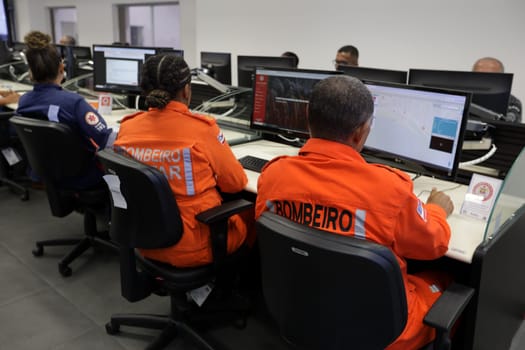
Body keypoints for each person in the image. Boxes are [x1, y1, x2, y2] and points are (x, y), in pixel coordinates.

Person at [256, 75, 455, 350]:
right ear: (361, 132)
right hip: (382, 328)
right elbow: (434, 244)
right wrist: (435, 210)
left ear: (306, 116)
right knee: (447, 281)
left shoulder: (273, 175)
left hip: (301, 305)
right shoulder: (389, 188)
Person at [114, 54, 253, 268]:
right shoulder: (202, 129)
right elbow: (235, 183)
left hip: (147, 240)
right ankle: (234, 293)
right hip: (195, 245)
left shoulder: (127, 127)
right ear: (187, 90)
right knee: (252, 212)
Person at [16, 30, 115, 189]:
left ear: (30, 73)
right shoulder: (74, 102)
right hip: (84, 176)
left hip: (50, 172)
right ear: (62, 68)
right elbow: (104, 138)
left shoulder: (24, 101)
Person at [472, 57, 522, 123]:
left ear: (501, 78)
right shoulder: (461, 97)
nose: (483, 80)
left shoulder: (512, 102)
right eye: (479, 75)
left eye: (490, 76)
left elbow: (512, 125)